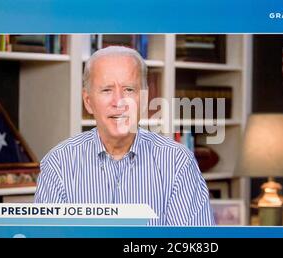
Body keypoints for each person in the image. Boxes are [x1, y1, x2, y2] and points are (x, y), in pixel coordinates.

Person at [34, 46, 215, 226]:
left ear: (143, 99)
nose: (119, 102)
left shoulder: (178, 163)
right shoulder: (58, 164)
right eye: (106, 90)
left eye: (129, 89)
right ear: (88, 102)